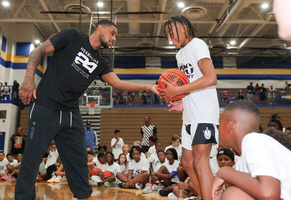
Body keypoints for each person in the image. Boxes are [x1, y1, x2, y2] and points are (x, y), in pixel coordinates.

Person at [16, 19, 158, 200]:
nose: (114, 39)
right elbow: (39, 50)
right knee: (31, 159)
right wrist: (28, 79)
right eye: (113, 33)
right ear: (100, 28)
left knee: (78, 162)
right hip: (46, 105)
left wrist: (147, 88)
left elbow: (118, 83)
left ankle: (82, 196)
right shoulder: (73, 36)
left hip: (70, 113)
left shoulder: (100, 62)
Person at [159, 15, 219, 200]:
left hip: (204, 112)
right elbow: (190, 82)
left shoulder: (198, 44)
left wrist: (177, 89)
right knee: (186, 161)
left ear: (185, 27)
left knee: (201, 161)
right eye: (167, 34)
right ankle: (205, 195)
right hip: (190, 114)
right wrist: (180, 101)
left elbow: (211, 78)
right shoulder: (179, 54)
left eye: (173, 31)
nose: (170, 37)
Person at [212, 100, 291, 200]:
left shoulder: (253, 140)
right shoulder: (241, 163)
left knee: (233, 195)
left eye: (219, 124)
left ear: (229, 124)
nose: (217, 130)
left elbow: (268, 193)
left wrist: (224, 172)